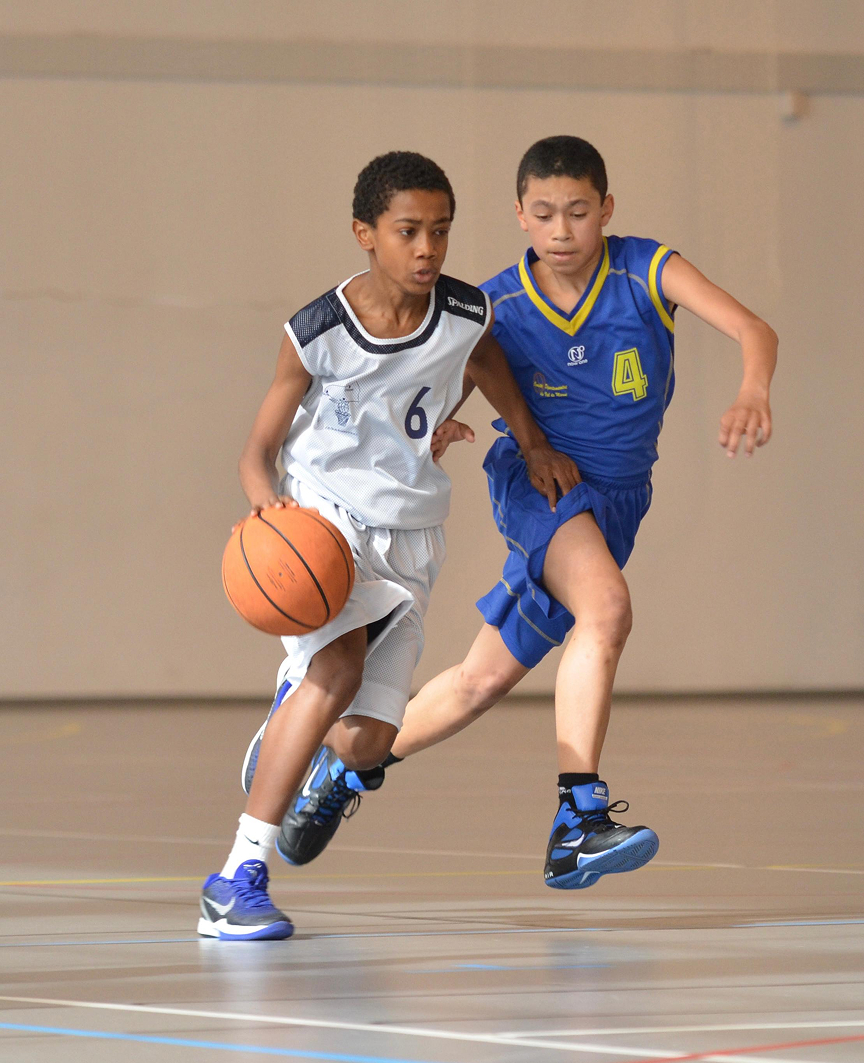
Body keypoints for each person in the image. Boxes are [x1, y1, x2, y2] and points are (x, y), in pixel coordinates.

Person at [282, 134, 777, 892]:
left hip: (617, 501)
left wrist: (751, 390)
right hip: (539, 481)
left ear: (606, 210)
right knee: (606, 608)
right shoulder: (498, 305)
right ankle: (578, 818)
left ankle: (346, 766)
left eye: (578, 212)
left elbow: (754, 328)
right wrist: (437, 424)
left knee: (479, 681)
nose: (561, 230)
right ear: (519, 215)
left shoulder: (648, 269)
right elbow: (447, 379)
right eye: (543, 214)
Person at [199, 150, 582, 940]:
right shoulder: (317, 331)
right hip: (324, 524)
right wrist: (267, 510)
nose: (427, 249)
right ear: (365, 233)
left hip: (411, 534)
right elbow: (256, 451)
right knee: (337, 667)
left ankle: (292, 722)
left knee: (368, 740)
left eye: (440, 231)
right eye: (408, 231)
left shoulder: (464, 313)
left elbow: (484, 359)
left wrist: (532, 440)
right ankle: (235, 878)